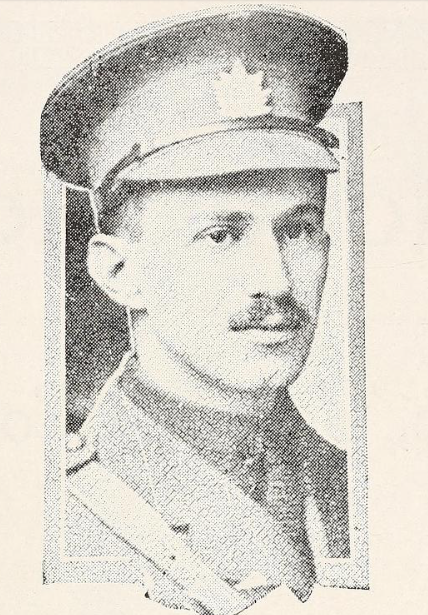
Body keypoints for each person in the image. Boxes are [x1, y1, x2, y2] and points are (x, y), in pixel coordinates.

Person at [41, 5, 350, 614]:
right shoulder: (61, 505)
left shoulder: (355, 486)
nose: (276, 281)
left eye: (298, 229)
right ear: (119, 272)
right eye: (221, 235)